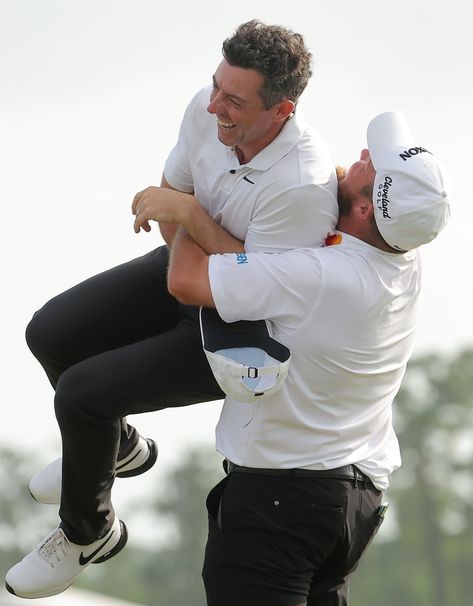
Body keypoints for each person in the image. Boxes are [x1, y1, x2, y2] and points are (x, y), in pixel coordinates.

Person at [5, 20, 338, 599]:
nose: (215, 107)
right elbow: (166, 219)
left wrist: (191, 216)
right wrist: (186, 219)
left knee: (82, 394)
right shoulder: (205, 110)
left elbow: (256, 289)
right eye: (215, 86)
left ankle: (88, 531)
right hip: (199, 276)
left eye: (234, 100)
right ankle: (116, 447)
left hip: (250, 338)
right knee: (50, 334)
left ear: (281, 110)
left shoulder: (303, 184)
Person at [130, 111, 450, 605]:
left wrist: (191, 211)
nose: (361, 156)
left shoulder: (322, 276)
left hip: (282, 499)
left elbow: (188, 279)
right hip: (356, 499)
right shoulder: (405, 258)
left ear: (365, 210)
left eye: (371, 166)